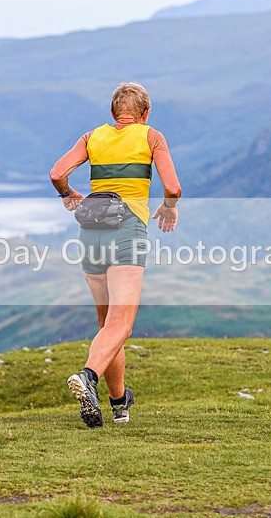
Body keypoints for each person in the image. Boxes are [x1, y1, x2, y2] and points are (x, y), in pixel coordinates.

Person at [49, 82, 181, 428]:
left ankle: (119, 402)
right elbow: (173, 186)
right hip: (127, 231)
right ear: (146, 114)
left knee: (109, 326)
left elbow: (57, 173)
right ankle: (88, 376)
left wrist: (68, 194)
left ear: (112, 114)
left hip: (90, 232)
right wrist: (169, 208)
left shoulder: (92, 137)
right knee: (121, 325)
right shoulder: (152, 137)